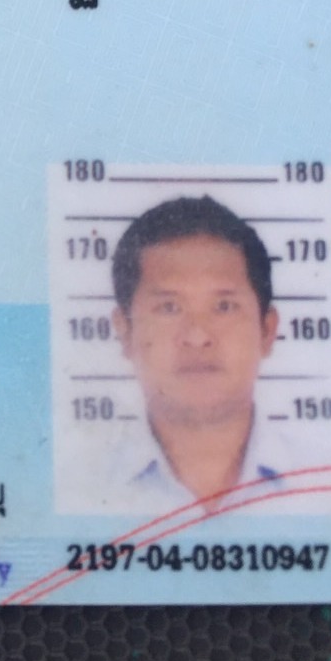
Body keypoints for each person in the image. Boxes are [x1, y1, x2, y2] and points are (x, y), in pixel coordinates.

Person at [104, 195, 301, 513]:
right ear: (125, 331)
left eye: (224, 306)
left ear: (267, 330)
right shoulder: (76, 485)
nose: (197, 336)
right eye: (169, 307)